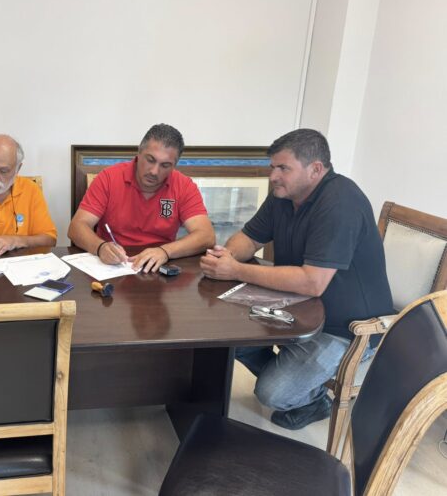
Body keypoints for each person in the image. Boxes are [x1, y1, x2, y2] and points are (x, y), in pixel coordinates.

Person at [200, 128, 393, 430]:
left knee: (272, 394)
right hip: (296, 306)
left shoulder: (341, 203)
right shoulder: (284, 195)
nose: (273, 176)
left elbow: (312, 282)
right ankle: (292, 372)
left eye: (283, 168)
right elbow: (249, 237)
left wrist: (235, 270)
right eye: (272, 167)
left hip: (345, 327)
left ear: (315, 169)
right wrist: (226, 257)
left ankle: (314, 400)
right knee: (224, 339)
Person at [68, 123, 215, 272]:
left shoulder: (184, 186)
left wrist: (165, 251)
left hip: (158, 266)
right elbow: (76, 227)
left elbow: (207, 236)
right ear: (139, 153)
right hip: (113, 265)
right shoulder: (108, 178)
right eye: (150, 160)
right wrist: (100, 247)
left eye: (165, 165)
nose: (154, 171)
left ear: (174, 165)